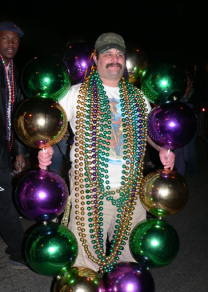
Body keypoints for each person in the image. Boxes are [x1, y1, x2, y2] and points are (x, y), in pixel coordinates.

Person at [38, 32, 175, 274]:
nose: (115, 59)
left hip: (130, 190)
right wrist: (46, 145)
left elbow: (147, 133)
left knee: (130, 261)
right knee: (85, 261)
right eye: (108, 54)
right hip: (88, 189)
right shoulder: (76, 93)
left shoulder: (138, 97)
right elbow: (54, 126)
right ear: (96, 59)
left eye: (119, 54)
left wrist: (162, 147)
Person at [0, 21, 28, 268]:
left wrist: (18, 151)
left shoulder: (13, 70)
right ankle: (19, 251)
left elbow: (17, 113)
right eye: (5, 38)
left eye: (15, 39)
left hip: (5, 148)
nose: (11, 43)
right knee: (3, 199)